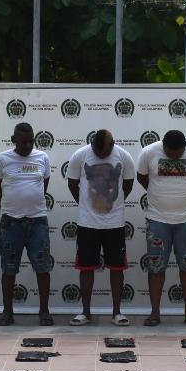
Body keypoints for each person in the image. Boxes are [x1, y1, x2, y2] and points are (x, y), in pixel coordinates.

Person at [135, 129, 186, 326]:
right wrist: (158, 194)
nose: (175, 156)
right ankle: (154, 313)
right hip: (157, 220)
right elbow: (142, 177)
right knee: (155, 267)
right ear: (164, 146)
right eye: (171, 153)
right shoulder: (149, 152)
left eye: (179, 153)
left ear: (185, 146)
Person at [65, 129, 136, 327]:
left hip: (115, 223)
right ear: (91, 144)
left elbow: (128, 184)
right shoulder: (80, 155)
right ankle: (85, 312)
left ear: (113, 144)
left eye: (104, 152)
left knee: (117, 268)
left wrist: (114, 203)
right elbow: (72, 183)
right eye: (96, 151)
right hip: (87, 223)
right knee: (86, 268)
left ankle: (117, 313)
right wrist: (85, 204)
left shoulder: (124, 156)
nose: (100, 155)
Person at [0, 122, 54, 326]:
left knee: (43, 267)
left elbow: (44, 184)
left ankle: (44, 312)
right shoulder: (2, 159)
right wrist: (7, 207)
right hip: (11, 222)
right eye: (23, 142)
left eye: (30, 141)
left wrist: (30, 202)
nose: (27, 146)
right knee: (9, 269)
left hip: (38, 221)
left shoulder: (42, 157)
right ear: (13, 140)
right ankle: (8, 313)